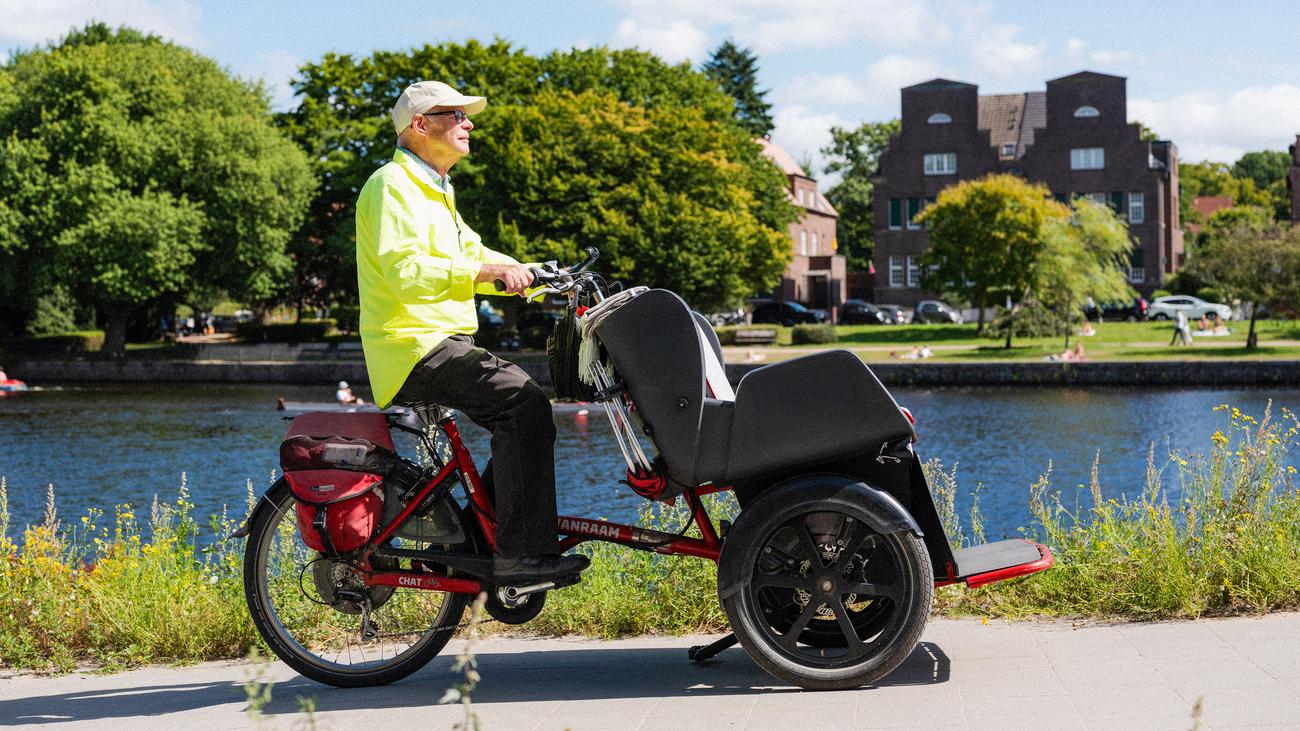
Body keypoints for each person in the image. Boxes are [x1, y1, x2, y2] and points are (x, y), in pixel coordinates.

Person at [354, 80, 587, 582]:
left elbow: (475, 255)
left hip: (441, 343)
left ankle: (486, 542)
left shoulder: (436, 189)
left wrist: (538, 276)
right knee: (523, 402)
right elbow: (405, 272)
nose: (469, 123)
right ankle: (520, 554)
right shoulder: (391, 185)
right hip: (412, 346)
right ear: (421, 125)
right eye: (456, 115)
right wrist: (487, 272)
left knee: (523, 407)